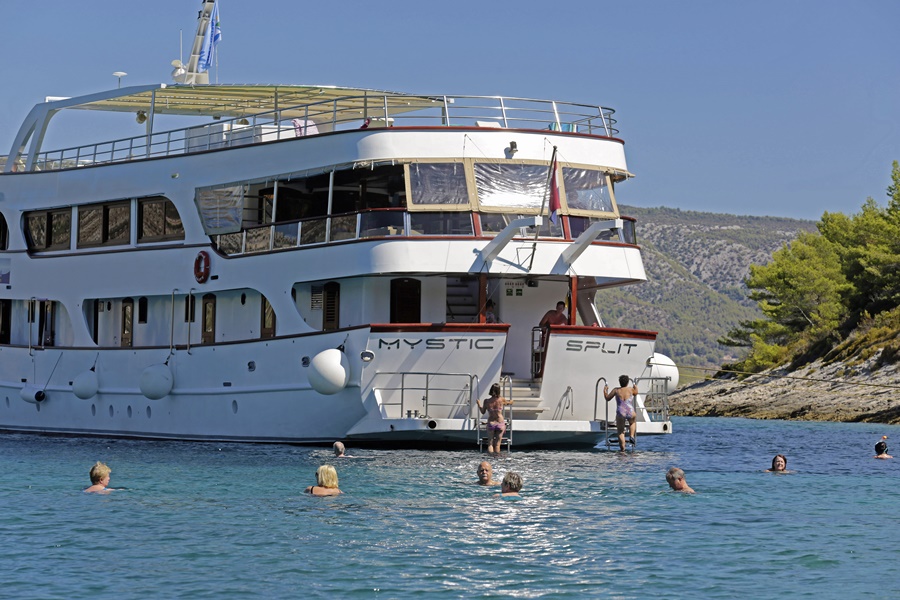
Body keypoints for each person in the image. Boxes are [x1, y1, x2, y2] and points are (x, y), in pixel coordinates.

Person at [604, 375, 638, 452]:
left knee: (620, 431)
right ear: (627, 382)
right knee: (632, 423)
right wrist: (635, 386)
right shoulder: (630, 389)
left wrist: (605, 390)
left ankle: (622, 450)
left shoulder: (616, 390)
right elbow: (636, 392)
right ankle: (631, 436)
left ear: (619, 382)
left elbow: (607, 398)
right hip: (630, 411)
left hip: (621, 412)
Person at [477, 383, 512, 453]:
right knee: (497, 445)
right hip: (500, 423)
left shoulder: (486, 401)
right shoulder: (501, 399)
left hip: (491, 423)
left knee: (490, 444)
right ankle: (497, 460)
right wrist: (511, 401)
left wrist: (478, 404)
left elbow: (483, 411)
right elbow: (508, 403)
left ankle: (490, 459)